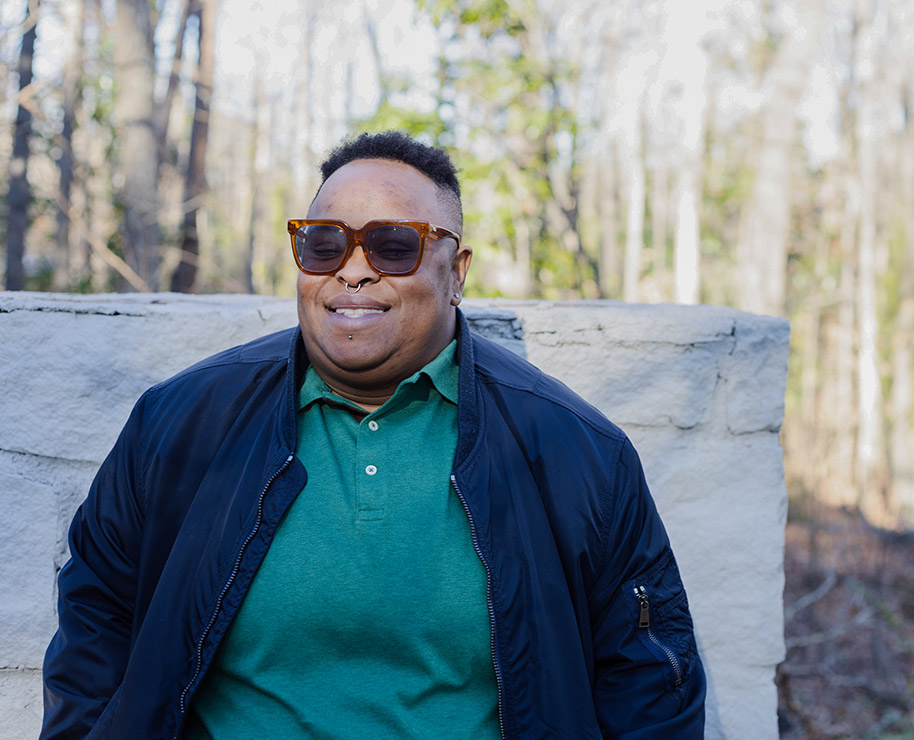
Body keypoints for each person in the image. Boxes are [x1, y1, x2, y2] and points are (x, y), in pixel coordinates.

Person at [40, 131, 706, 740]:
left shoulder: (575, 451)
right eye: (324, 243)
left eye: (393, 245)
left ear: (458, 272)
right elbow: (95, 623)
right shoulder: (182, 423)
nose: (352, 271)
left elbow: (650, 687)